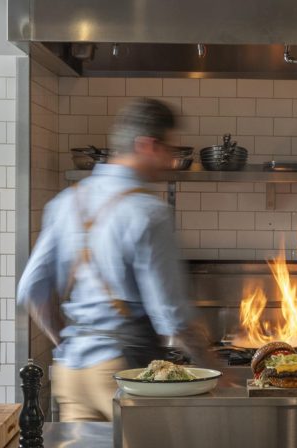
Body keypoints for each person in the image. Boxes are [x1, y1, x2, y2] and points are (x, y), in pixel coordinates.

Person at [17, 98, 215, 420]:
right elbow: (171, 314)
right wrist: (213, 368)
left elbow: (31, 287)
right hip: (125, 375)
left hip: (71, 372)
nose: (169, 161)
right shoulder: (150, 212)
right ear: (148, 145)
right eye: (169, 150)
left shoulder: (67, 202)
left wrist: (68, 340)